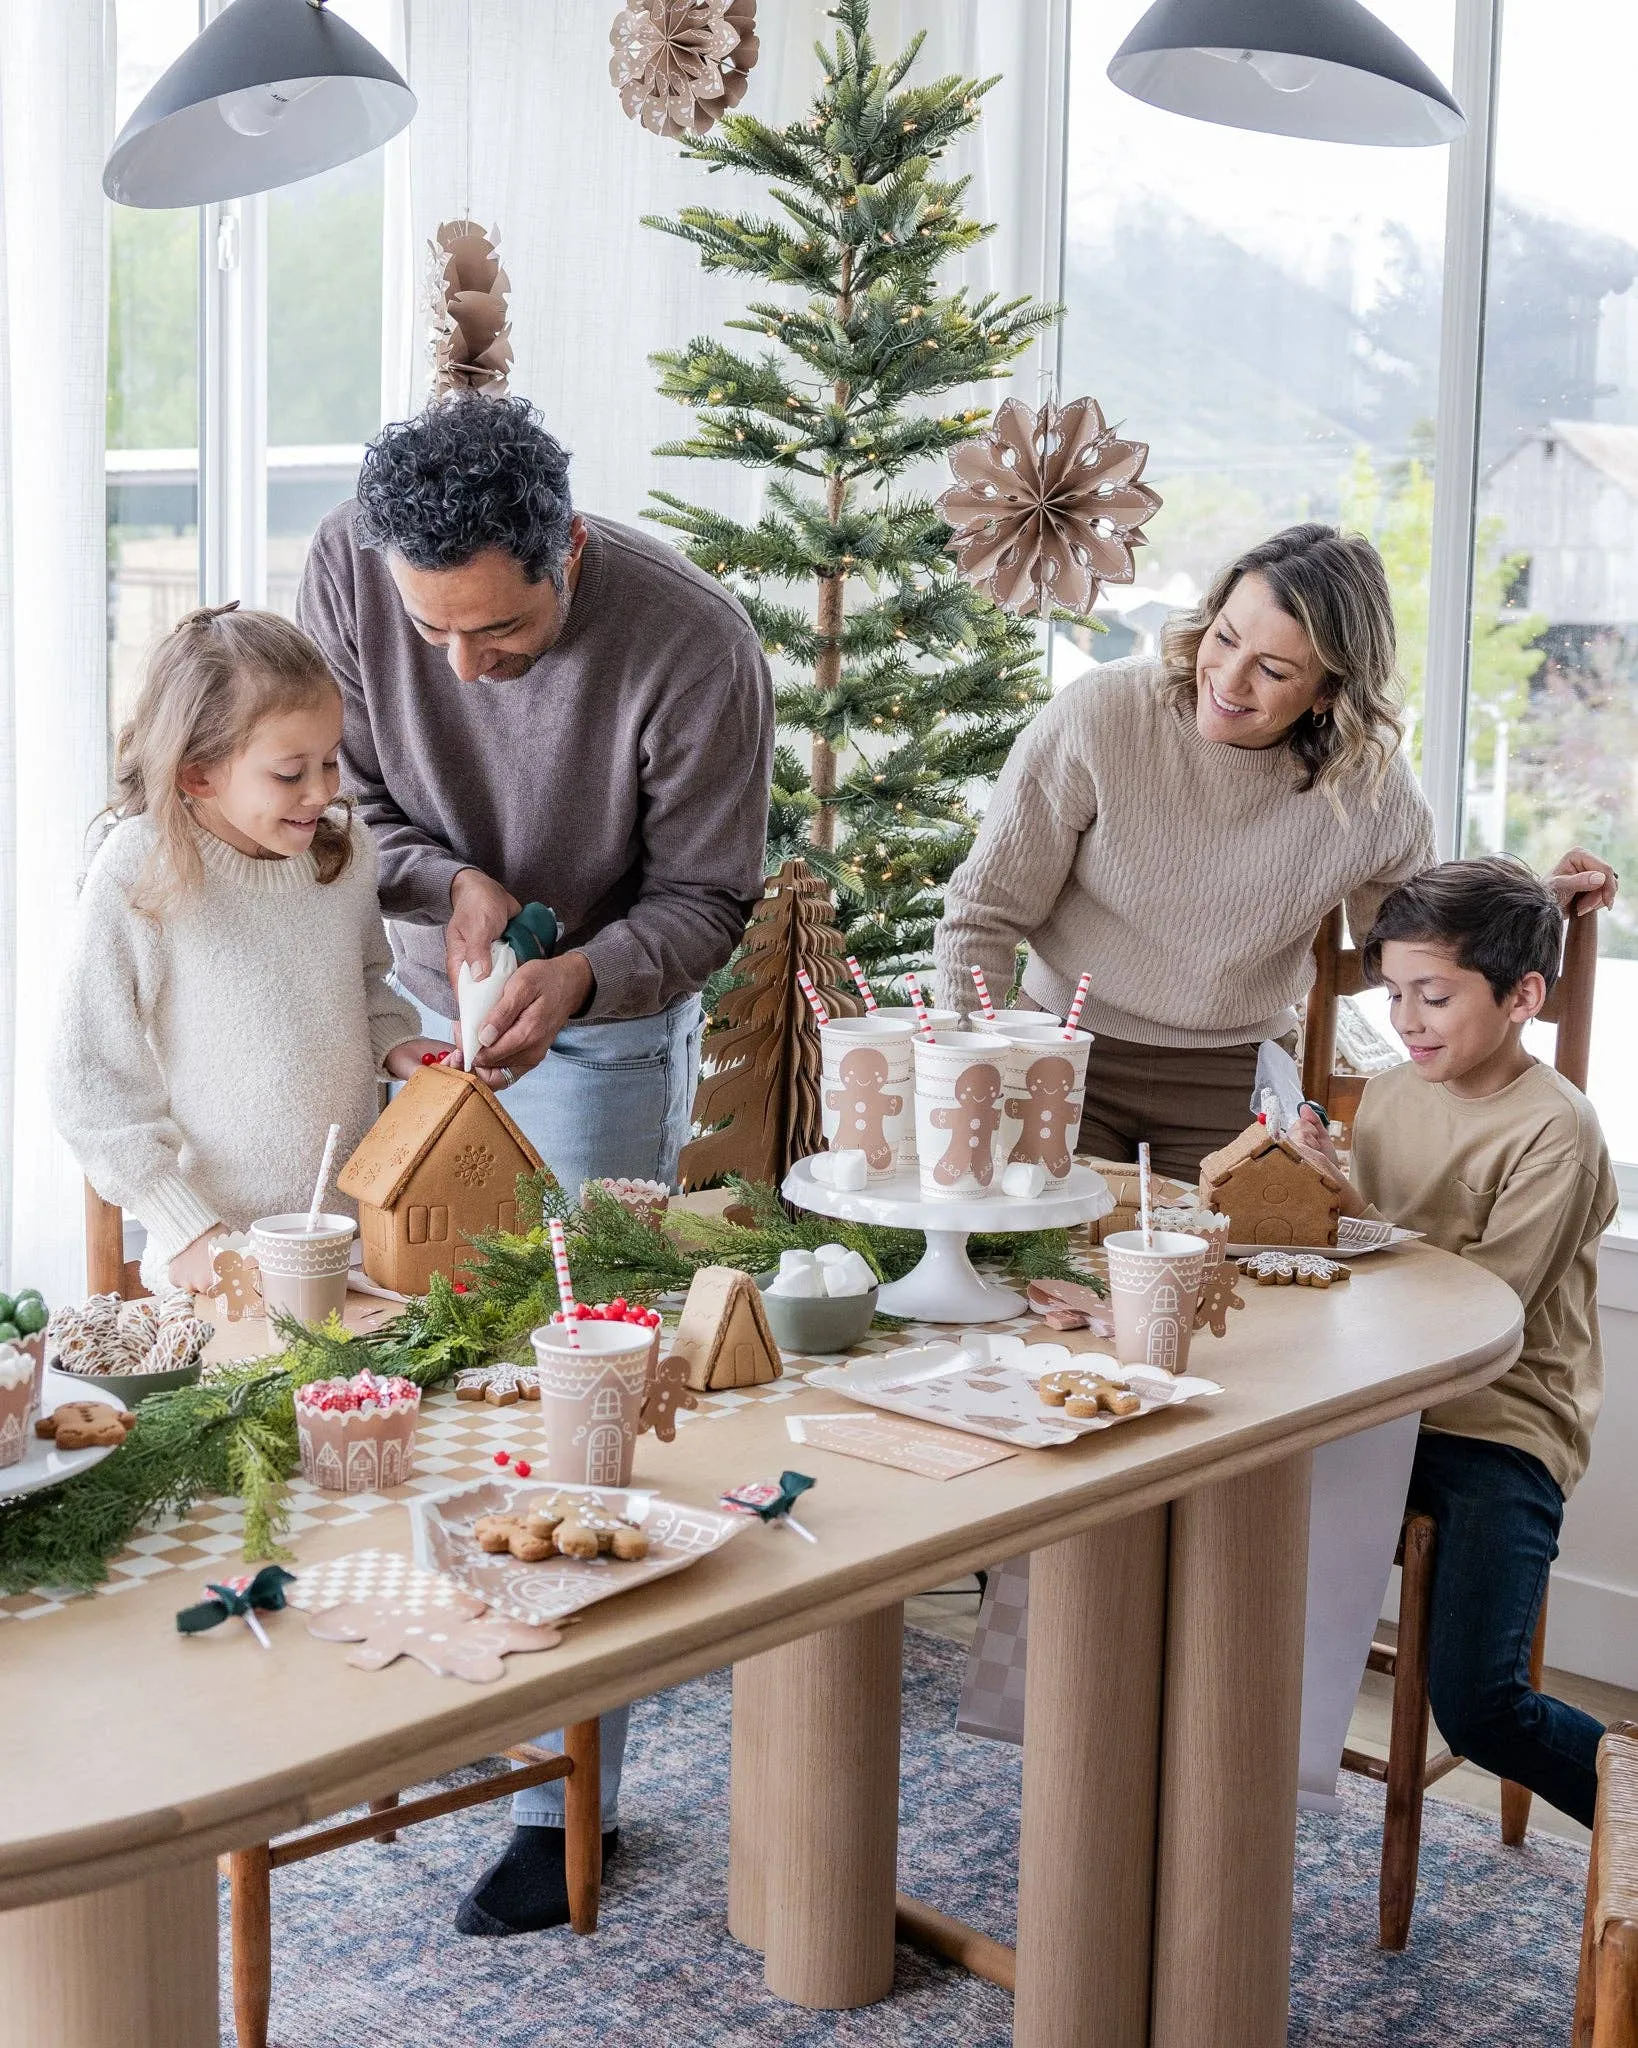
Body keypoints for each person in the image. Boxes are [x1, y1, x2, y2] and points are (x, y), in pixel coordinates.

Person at [296, 393, 775, 1937]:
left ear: (564, 548)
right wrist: (456, 890)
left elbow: (708, 897)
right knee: (403, 1358)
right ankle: (397, 1689)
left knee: (568, 1391)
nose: (458, 666)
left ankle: (558, 1791)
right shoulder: (352, 566)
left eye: (494, 632)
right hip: (404, 1001)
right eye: (428, 633)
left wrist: (578, 979)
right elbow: (348, 801)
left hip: (604, 1023)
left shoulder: (694, 644)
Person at [933, 522, 1617, 1180]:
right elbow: (982, 915)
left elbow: (1417, 946)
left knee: (1237, 1286)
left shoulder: (1369, 789)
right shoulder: (1104, 717)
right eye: (1224, 639)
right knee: (1044, 1270)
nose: (1228, 681)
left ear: (1328, 691)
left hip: (1237, 1075)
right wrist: (973, 1077)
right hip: (1061, 1048)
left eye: (1271, 669)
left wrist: (1532, 898)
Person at [1291, 858, 1617, 1825]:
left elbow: (1486, 1319)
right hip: (1375, 1402)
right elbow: (1360, 1264)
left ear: (1523, 997)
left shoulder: (1557, 1131)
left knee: (1479, 1706)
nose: (1407, 1020)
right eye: (1394, 994)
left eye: (1433, 996)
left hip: (1499, 1422)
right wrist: (1319, 1185)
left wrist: (1353, 1212)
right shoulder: (1389, 1097)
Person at [50, 605, 442, 1295]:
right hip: (217, 1255)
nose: (322, 792)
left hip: (348, 1246)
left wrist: (398, 1046)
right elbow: (90, 1080)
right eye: (291, 773)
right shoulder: (139, 870)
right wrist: (190, 1230)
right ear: (199, 775)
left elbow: (364, 985)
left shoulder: (343, 852)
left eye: (330, 760)